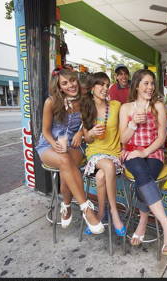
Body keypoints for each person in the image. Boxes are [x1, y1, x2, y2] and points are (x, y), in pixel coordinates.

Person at [35, 67, 104, 235]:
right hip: (49, 144)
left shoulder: (84, 101)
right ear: (59, 87)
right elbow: (44, 130)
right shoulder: (51, 102)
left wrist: (80, 133)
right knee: (65, 161)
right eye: (64, 83)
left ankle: (66, 205)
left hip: (75, 144)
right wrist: (54, 143)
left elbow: (87, 124)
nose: (70, 85)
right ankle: (86, 209)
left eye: (72, 81)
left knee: (67, 168)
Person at [119, 69, 167, 255]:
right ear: (136, 85)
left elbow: (161, 139)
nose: (150, 87)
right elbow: (123, 139)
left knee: (146, 176)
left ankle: (143, 221)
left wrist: (143, 151)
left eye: (152, 83)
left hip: (153, 153)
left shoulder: (158, 106)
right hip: (131, 153)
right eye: (146, 83)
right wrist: (133, 124)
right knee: (143, 174)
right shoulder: (126, 108)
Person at [81, 72, 126, 236]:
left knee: (101, 177)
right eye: (101, 84)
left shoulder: (116, 106)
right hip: (95, 153)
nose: (105, 88)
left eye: (107, 85)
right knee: (105, 165)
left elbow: (124, 131)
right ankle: (114, 212)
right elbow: (87, 139)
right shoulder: (86, 108)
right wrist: (91, 132)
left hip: (114, 152)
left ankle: (101, 214)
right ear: (92, 88)